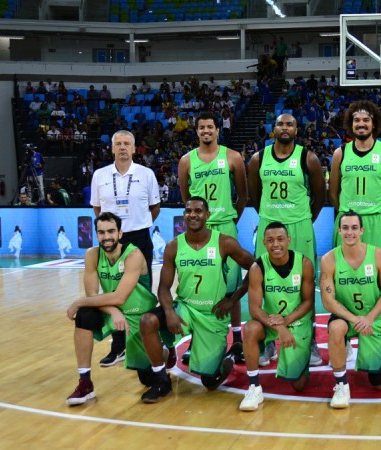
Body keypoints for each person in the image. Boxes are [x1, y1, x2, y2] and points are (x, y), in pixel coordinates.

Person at [138, 197, 256, 402]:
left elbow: (256, 268)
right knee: (147, 321)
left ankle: (227, 356)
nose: (192, 214)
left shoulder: (224, 242)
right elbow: (164, 287)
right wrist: (169, 312)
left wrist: (233, 298)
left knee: (210, 382)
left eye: (198, 211)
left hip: (213, 314)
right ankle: (161, 380)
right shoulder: (174, 246)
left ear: (207, 215)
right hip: (185, 309)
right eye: (188, 211)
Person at [329, 101, 381, 369]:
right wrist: (346, 219)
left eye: (366, 120)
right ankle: (346, 338)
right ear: (350, 125)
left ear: (375, 123)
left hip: (379, 223)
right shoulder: (341, 153)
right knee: (343, 281)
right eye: (356, 121)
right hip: (349, 224)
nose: (361, 124)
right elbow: (334, 193)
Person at [64, 212, 171, 406]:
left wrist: (77, 302)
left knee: (147, 379)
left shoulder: (133, 254)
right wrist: (112, 311)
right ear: (96, 235)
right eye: (101, 232)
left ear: (120, 233)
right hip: (114, 313)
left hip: (141, 318)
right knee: (85, 316)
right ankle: (85, 383)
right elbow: (92, 295)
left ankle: (162, 351)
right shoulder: (92, 255)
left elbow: (120, 296)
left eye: (111, 231)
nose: (107, 237)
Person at [248, 113, 326, 367]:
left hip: (299, 227)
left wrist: (303, 220)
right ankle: (268, 341)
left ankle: (310, 341)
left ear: (297, 129)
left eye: (290, 124)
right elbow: (254, 195)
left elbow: (320, 196)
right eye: (280, 124)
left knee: (305, 285)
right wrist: (271, 217)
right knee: (265, 284)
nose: (285, 128)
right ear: (273, 129)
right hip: (269, 227)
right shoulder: (258, 159)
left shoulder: (308, 158)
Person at [178, 111, 248, 364]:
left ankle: (237, 340)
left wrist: (229, 220)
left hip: (226, 226)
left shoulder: (232, 157)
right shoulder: (186, 161)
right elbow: (188, 199)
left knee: (231, 286)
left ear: (218, 130)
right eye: (201, 127)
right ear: (196, 131)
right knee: (201, 289)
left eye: (210, 127)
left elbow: (243, 195)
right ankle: (197, 340)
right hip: (199, 231)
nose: (206, 131)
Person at [91, 129, 162, 367]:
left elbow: (155, 207)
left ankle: (144, 341)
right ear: (112, 148)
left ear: (134, 149)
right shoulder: (100, 175)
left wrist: (134, 226)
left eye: (127, 144)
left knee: (141, 291)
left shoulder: (146, 174)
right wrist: (113, 232)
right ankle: (118, 345)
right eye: (118, 143)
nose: (122, 147)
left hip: (139, 237)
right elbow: (98, 210)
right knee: (114, 290)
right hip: (113, 240)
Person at [320, 211, 381, 408]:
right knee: (336, 328)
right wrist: (356, 320)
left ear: (362, 230)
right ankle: (341, 385)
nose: (350, 232)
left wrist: (369, 318)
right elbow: (328, 301)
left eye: (354, 228)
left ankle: (374, 349)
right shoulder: (329, 259)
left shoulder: (378, 255)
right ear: (339, 230)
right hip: (346, 316)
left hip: (372, 318)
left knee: (379, 383)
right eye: (345, 228)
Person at [239, 222, 315, 411]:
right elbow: (255, 308)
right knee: (250, 328)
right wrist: (280, 328)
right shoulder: (258, 267)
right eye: (270, 240)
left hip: (296, 322)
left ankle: (301, 355)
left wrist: (287, 322)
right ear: (264, 242)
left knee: (299, 384)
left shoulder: (304, 264)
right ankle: (254, 387)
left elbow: (308, 302)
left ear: (289, 240)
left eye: (280, 239)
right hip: (271, 322)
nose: (276, 245)